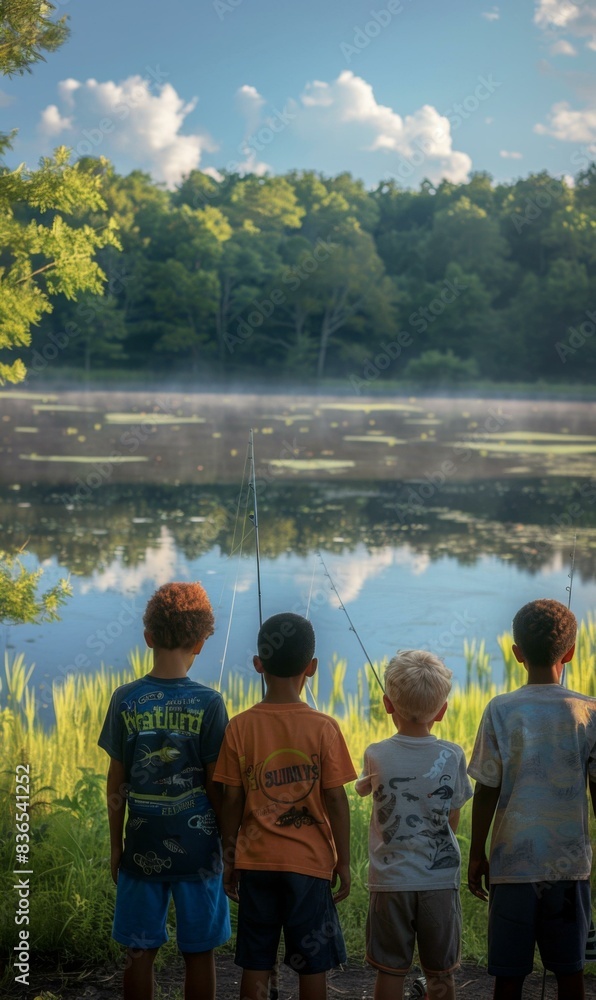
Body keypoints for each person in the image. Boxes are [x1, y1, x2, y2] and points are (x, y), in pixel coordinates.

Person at [214, 612, 357, 1000]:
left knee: (257, 962)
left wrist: (230, 857)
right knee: (312, 962)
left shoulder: (239, 727)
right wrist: (342, 860)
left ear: (258, 665)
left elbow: (231, 799)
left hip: (256, 864)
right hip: (310, 866)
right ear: (311, 668)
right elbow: (335, 799)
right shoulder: (324, 727)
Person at [98, 582, 230, 1000]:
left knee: (139, 951)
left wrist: (116, 844)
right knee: (200, 952)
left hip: (140, 844)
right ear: (200, 643)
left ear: (149, 637)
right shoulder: (210, 703)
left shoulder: (126, 699)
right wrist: (230, 842)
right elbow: (217, 785)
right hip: (200, 851)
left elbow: (115, 780)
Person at [468, 598, 596, 1000]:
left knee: (509, 976)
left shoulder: (500, 710)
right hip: (569, 867)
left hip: (512, 869)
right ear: (571, 652)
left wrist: (477, 852)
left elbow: (486, 788)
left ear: (516, 652)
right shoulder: (588, 711)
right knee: (570, 973)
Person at [356, 649, 473, 1000]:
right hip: (438, 880)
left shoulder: (376, 753)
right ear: (443, 709)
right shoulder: (452, 755)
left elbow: (364, 790)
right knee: (440, 973)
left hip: (390, 882)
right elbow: (452, 817)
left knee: (390, 969)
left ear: (387, 705)